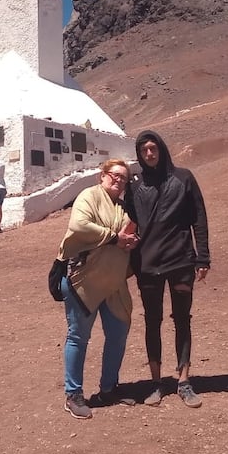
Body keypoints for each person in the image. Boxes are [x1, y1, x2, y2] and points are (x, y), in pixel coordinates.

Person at [125, 131, 211, 408]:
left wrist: (203, 257)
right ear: (139, 154)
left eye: (153, 149)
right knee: (152, 321)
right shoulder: (134, 185)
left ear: (161, 149)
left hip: (181, 261)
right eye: (144, 150)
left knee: (182, 319)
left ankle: (184, 381)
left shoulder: (183, 178)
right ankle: (156, 382)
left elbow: (199, 217)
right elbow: (126, 220)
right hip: (147, 265)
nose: (149, 154)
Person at [58, 159, 140, 419]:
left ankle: (108, 388)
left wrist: (131, 241)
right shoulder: (89, 196)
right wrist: (116, 238)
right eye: (115, 175)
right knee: (78, 337)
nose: (119, 180)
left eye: (124, 178)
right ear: (102, 176)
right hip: (85, 280)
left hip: (113, 282)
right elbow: (80, 226)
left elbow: (128, 234)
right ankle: (73, 395)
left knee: (118, 333)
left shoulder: (123, 208)